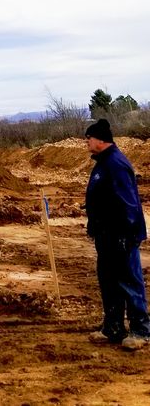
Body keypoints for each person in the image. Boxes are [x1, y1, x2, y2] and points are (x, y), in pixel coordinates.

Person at [85, 117, 150, 350]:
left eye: (89, 138)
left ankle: (141, 330)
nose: (87, 143)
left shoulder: (116, 164)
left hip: (121, 236)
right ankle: (112, 327)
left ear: (100, 140)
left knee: (130, 282)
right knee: (109, 282)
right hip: (106, 236)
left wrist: (128, 234)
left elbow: (129, 204)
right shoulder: (104, 163)